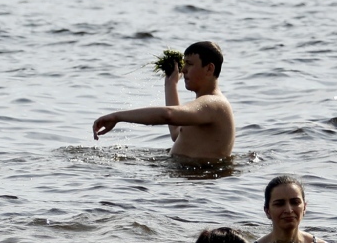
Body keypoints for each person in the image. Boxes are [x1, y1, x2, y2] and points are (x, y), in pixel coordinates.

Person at [93, 41, 235, 162]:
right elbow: (176, 133)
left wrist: (117, 117)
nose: (184, 70)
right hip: (185, 174)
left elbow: (168, 114)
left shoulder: (214, 103)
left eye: (190, 64)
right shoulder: (207, 105)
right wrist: (170, 84)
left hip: (194, 179)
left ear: (209, 68)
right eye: (183, 64)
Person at [255, 174, 325, 243]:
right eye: (279, 204)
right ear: (267, 211)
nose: (289, 210)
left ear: (304, 208)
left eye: (295, 202)